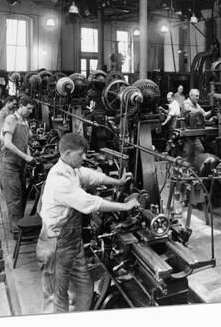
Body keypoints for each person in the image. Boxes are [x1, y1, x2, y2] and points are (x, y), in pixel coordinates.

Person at [36, 133, 140, 313]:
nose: (84, 158)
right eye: (80, 154)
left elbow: (91, 176)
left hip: (72, 244)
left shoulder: (72, 169)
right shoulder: (60, 179)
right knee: (57, 298)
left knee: (84, 290)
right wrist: (125, 206)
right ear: (68, 154)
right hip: (55, 245)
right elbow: (91, 203)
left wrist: (118, 182)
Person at [0, 97, 36, 235]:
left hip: (20, 163)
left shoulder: (25, 121)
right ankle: (16, 230)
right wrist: (26, 157)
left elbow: (26, 143)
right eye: (28, 108)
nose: (30, 111)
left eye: (32, 109)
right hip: (9, 163)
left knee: (21, 195)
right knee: (14, 198)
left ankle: (20, 225)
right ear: (21, 106)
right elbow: (7, 143)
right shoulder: (11, 119)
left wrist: (30, 157)